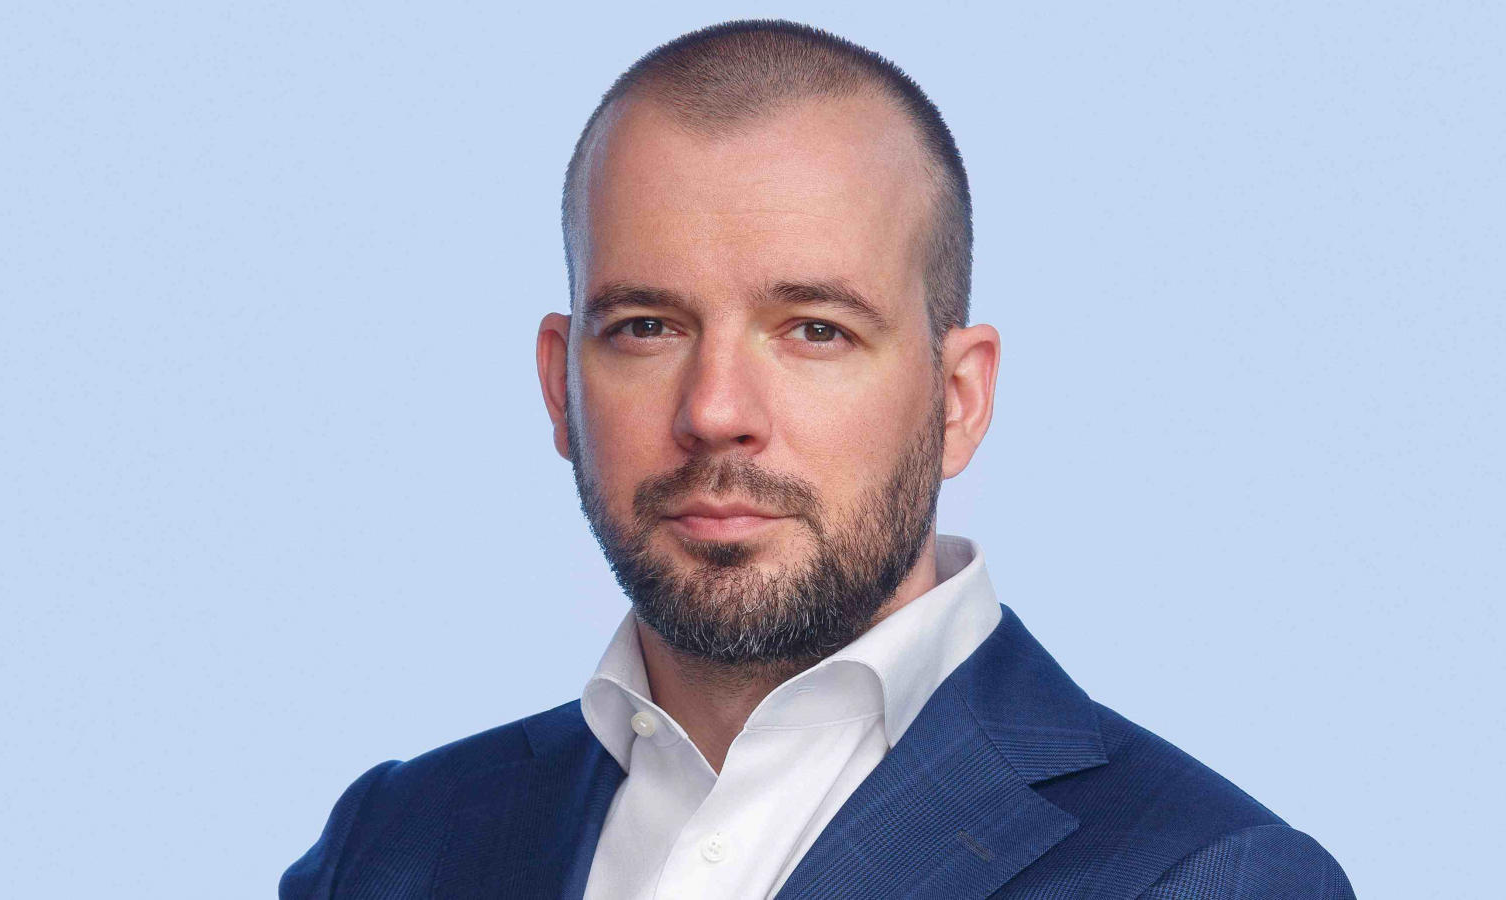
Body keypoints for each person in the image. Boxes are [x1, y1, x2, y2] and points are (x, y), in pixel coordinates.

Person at [282, 19, 1354, 900]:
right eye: (647, 327)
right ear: (560, 385)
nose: (715, 411)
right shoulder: (395, 845)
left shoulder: (1203, 876)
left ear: (958, 397)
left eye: (814, 331)